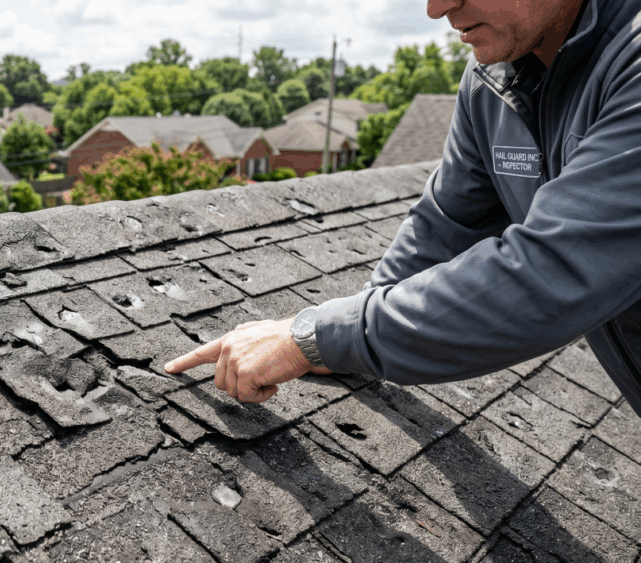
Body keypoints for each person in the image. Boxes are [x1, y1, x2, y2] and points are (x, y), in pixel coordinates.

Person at [165, 0, 641, 417]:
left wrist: (312, 336)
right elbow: (444, 229)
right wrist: (330, 341)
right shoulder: (490, 83)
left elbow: (552, 272)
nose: (437, 8)